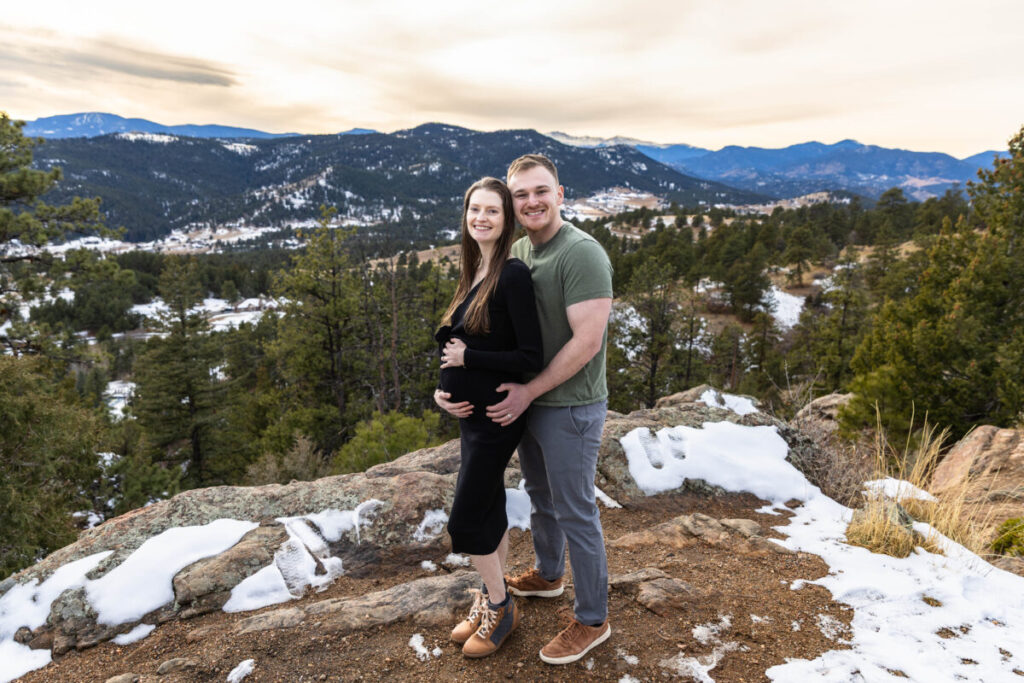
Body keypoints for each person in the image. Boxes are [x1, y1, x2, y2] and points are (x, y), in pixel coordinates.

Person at [437, 154, 614, 665]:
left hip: (569, 404)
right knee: (539, 494)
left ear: (561, 193)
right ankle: (549, 573)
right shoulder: (519, 251)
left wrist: (528, 390)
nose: (532, 201)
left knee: (575, 507)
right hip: (529, 401)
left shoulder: (581, 254)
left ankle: (592, 619)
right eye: (522, 194)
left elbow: (586, 342)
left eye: (541, 191)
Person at [433, 176, 542, 658]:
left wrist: (468, 363)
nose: (481, 217)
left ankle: (500, 607)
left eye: (492, 211)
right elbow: (455, 348)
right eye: (475, 209)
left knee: (467, 517)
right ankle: (490, 599)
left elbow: (529, 356)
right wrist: (441, 393)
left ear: (508, 220)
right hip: (469, 418)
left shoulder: (512, 274)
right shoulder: (474, 269)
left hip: (497, 415)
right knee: (490, 507)